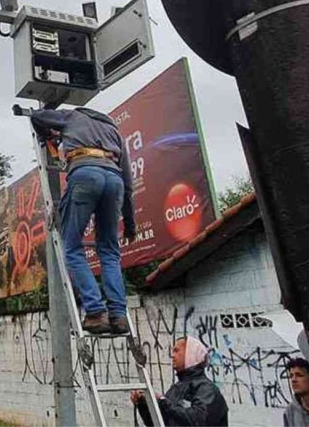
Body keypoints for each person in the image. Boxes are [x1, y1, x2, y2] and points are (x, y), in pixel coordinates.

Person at [25, 106, 137, 335]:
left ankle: (96, 312)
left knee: (73, 247)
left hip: (85, 172)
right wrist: (130, 223)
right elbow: (128, 184)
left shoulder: (73, 115)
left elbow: (38, 116)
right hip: (114, 180)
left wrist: (49, 135)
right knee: (109, 252)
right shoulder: (113, 130)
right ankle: (118, 316)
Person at [130, 336, 228, 426]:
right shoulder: (177, 388)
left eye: (176, 351)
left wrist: (163, 402)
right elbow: (159, 423)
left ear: (191, 353)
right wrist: (142, 404)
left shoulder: (206, 389)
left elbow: (197, 421)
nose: (172, 355)